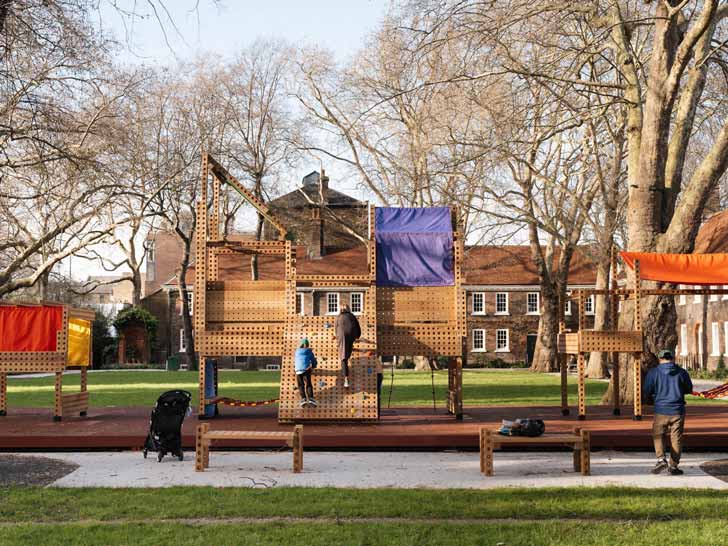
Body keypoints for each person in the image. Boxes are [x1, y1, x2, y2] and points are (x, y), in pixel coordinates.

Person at [644, 349, 693, 475]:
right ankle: (673, 466)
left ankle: (661, 459)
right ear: (673, 357)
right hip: (678, 410)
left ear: (660, 359)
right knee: (676, 438)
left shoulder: (654, 372)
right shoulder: (682, 372)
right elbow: (689, 389)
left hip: (661, 409)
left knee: (658, 435)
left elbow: (647, 390)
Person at [335, 303, 361, 388]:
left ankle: (346, 379)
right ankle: (349, 350)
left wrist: (337, 338)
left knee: (344, 358)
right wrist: (357, 336)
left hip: (342, 336)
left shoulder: (338, 317)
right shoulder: (352, 316)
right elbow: (358, 326)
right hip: (351, 335)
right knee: (347, 352)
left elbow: (336, 328)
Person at [294, 338, 317, 407]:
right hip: (306, 370)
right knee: (308, 384)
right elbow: (313, 360)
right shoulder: (309, 352)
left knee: (301, 385)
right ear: (307, 345)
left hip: (298, 370)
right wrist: (314, 366)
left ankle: (303, 399)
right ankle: (311, 399)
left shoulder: (297, 351)